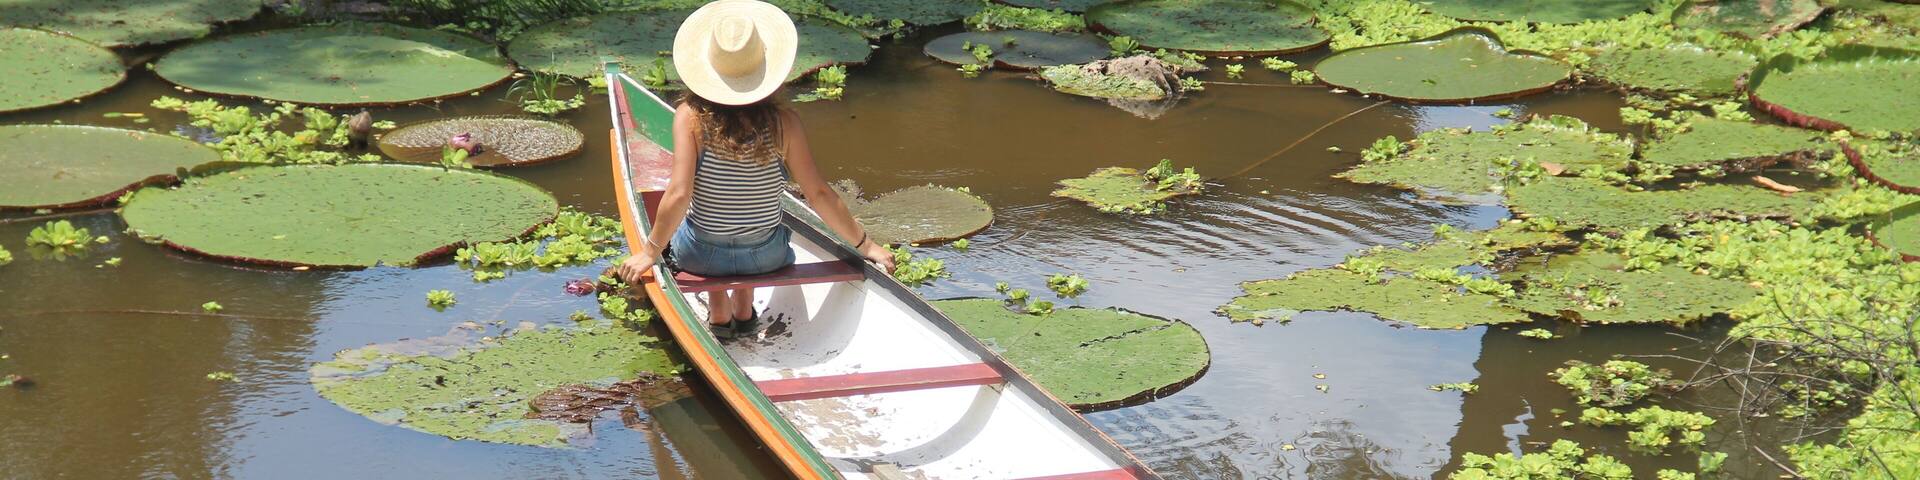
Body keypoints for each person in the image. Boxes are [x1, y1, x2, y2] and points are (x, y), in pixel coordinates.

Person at [615, 0, 895, 338]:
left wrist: (649, 252)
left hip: (701, 256)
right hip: (766, 256)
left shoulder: (689, 118)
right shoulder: (785, 123)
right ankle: (744, 304)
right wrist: (866, 245)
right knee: (761, 227)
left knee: (692, 226)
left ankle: (719, 306)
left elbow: (678, 193)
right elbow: (819, 193)